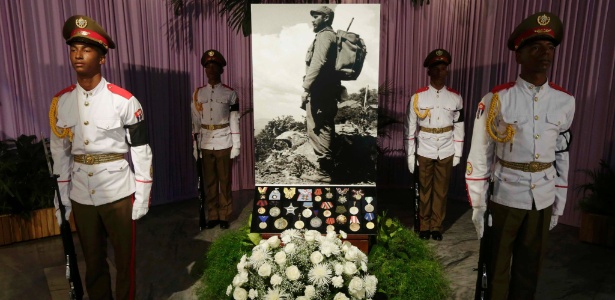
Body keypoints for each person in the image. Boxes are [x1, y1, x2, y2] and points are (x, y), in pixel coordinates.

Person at [465, 12, 574, 299]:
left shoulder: (565, 101)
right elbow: (480, 152)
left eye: (549, 48)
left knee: (530, 269)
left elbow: (562, 154)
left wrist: (559, 202)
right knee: (496, 268)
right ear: (519, 55)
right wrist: (478, 205)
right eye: (536, 48)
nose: (545, 54)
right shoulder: (497, 98)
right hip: (506, 197)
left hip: (543, 198)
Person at [49, 15, 153, 300]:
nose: (78, 55)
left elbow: (141, 149)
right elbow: (60, 152)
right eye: (73, 49)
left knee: (124, 263)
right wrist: (63, 197)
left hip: (119, 192)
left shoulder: (124, 100)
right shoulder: (62, 102)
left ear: (103, 58)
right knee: (93, 263)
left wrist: (142, 194)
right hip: (82, 192)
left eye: (87, 49)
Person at [404, 49, 464, 241]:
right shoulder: (418, 97)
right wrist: (410, 155)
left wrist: (458, 152)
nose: (440, 72)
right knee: (424, 190)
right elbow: (410, 127)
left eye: (443, 68)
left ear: (447, 71)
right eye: (435, 68)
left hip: (446, 148)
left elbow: (459, 126)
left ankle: (436, 226)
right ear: (428, 72)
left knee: (441, 190)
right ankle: (424, 225)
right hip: (425, 148)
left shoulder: (455, 97)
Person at [191, 49, 240, 230]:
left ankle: (225, 214)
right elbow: (195, 121)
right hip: (205, 142)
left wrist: (236, 145)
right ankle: (213, 214)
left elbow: (234, 119)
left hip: (223, 141)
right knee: (209, 181)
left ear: (221, 70)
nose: (210, 70)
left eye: (214, 66)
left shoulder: (230, 93)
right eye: (207, 67)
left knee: (225, 180)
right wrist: (195, 146)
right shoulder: (198, 94)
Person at [300, 6, 341, 183]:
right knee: (320, 127)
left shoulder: (325, 36)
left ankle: (325, 172)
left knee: (320, 128)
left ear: (325, 18)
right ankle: (326, 170)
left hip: (321, 91)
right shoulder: (326, 35)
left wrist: (306, 87)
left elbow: (317, 63)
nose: (312, 20)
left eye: (316, 16)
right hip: (325, 90)